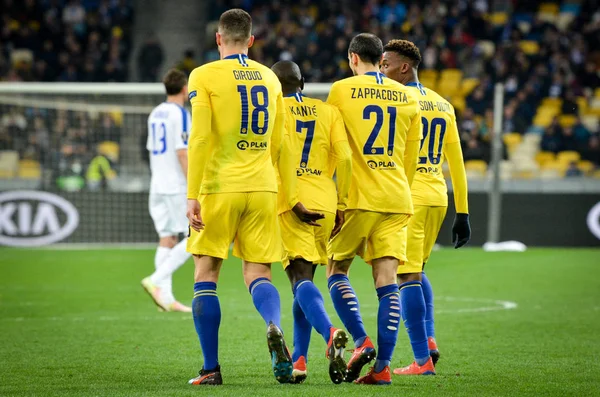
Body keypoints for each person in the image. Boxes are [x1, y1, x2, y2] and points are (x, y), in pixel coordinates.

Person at [185, 9, 323, 386]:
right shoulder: (269, 77)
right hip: (264, 188)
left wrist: (192, 195)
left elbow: (198, 138)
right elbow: (282, 145)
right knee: (259, 272)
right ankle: (274, 326)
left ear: (218, 39)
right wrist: (290, 197)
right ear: (251, 41)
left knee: (206, 274)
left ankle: (211, 369)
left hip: (218, 186)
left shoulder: (203, 75)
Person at [325, 33, 422, 385]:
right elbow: (410, 158)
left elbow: (332, 144)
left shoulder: (340, 91)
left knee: (336, 269)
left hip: (357, 197)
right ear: (382, 59)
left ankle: (361, 341)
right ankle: (382, 368)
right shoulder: (407, 96)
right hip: (397, 197)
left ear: (353, 58)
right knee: (387, 280)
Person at [381, 39, 471, 376]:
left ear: (404, 67)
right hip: (437, 196)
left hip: (411, 196)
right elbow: (457, 164)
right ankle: (429, 341)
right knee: (417, 271)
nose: (381, 70)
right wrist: (462, 212)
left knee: (405, 275)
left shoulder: (399, 100)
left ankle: (421, 362)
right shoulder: (443, 104)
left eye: (386, 64)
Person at [271, 60, 352, 384]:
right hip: (326, 199)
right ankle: (300, 359)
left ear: (275, 86)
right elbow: (344, 158)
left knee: (298, 278)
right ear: (303, 82)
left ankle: (330, 333)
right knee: (303, 283)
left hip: (291, 200)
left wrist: (291, 200)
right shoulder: (328, 111)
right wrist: (342, 203)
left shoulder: (275, 111)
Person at [140, 69, 192, 313]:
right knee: (195, 237)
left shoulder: (155, 113)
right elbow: (182, 152)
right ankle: (156, 279)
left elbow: (152, 149)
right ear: (184, 89)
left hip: (157, 183)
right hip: (175, 185)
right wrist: (193, 184)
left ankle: (166, 299)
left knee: (168, 237)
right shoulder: (180, 114)